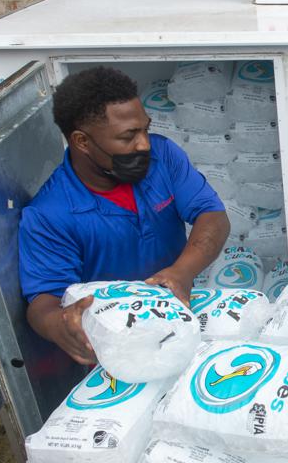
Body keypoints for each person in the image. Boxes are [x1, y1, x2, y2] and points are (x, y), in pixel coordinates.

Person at [18, 67, 230, 365]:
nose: (144, 143)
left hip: (181, 319)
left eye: (145, 128)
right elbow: (44, 301)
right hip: (117, 352)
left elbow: (212, 215)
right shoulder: (49, 214)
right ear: (82, 142)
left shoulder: (164, 157)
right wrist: (60, 325)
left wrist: (182, 272)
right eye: (128, 136)